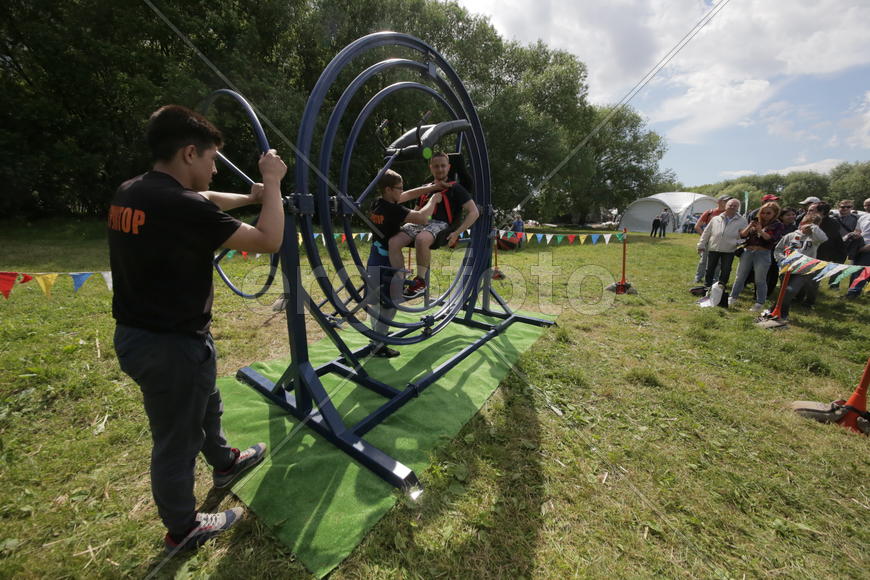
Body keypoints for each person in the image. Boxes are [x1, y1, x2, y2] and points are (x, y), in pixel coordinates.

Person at [109, 105, 287, 553]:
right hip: (171, 346)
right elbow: (269, 240)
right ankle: (183, 527)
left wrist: (250, 196)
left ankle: (225, 462)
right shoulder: (180, 206)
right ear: (190, 153)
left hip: (144, 336)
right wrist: (274, 186)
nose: (213, 170)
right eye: (211, 160)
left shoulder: (132, 191)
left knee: (207, 401)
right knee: (176, 441)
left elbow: (205, 201)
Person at [366, 169, 444, 357]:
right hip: (387, 259)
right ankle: (380, 344)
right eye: (399, 188)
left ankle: (376, 336)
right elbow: (422, 218)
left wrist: (431, 188)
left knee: (375, 299)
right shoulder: (393, 210)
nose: (402, 191)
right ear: (388, 189)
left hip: (375, 255)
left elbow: (408, 195)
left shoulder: (378, 203)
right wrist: (433, 199)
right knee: (389, 303)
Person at [390, 152, 480, 298]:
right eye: (436, 166)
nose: (440, 169)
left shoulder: (456, 189)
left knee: (421, 239)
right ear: (431, 168)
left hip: (443, 224)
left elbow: (474, 212)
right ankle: (399, 280)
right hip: (422, 221)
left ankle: (420, 282)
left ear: (449, 167)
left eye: (443, 166)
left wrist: (457, 232)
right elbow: (417, 211)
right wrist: (404, 224)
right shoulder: (425, 188)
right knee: (393, 241)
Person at [727, 202, 783, 311]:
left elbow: (771, 239)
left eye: (768, 213)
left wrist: (760, 230)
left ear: (775, 213)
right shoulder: (756, 221)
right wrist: (750, 225)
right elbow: (743, 234)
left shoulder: (778, 225)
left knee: (760, 279)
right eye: (763, 212)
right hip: (748, 251)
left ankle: (759, 303)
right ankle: (732, 297)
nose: (765, 215)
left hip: (763, 253)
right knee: (740, 276)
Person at [773, 215, 828, 320]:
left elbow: (824, 238)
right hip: (787, 268)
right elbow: (778, 249)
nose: (807, 227)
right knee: (784, 291)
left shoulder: (814, 239)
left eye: (812, 226)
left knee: (791, 290)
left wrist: (814, 227)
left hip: (804, 270)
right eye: (806, 224)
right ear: (801, 224)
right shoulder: (790, 236)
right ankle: (779, 311)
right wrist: (782, 259)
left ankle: (781, 313)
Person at [698, 198, 747, 288]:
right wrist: (701, 244)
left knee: (726, 270)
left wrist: (737, 242)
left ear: (738, 208)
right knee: (709, 269)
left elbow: (745, 236)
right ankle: (707, 286)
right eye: (730, 205)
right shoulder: (715, 218)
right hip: (713, 248)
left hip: (729, 250)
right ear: (725, 206)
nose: (732, 207)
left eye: (735, 206)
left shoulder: (742, 221)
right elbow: (706, 232)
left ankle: (721, 287)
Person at [692, 195, 730, 283]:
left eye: (728, 201)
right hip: (708, 241)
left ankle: (714, 279)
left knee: (718, 262)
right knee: (703, 260)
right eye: (725, 201)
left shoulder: (729, 214)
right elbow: (697, 226)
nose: (727, 203)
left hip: (721, 243)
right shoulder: (710, 212)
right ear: (719, 202)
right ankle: (698, 277)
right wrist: (705, 237)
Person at [844, 210, 870, 299]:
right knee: (855, 270)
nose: (867, 207)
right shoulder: (863, 217)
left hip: (867, 249)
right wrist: (854, 236)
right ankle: (852, 292)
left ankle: (852, 294)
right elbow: (858, 231)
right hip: (859, 247)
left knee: (861, 271)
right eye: (866, 205)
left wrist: (866, 248)